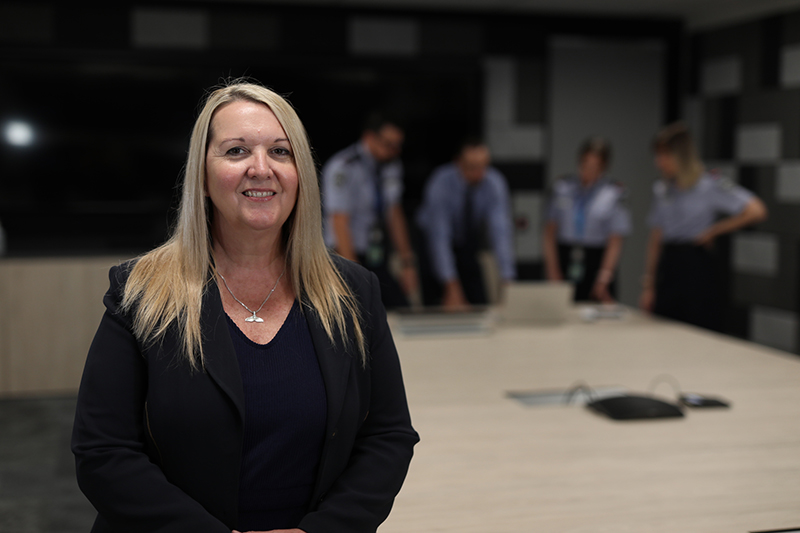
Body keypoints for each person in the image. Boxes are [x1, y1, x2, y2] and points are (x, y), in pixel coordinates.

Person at [72, 81, 419, 533]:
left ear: (301, 172)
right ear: (202, 173)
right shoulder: (139, 291)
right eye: (236, 151)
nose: (262, 168)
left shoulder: (353, 292)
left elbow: (388, 436)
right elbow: (103, 452)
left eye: (280, 151)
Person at [639, 122, 767, 330]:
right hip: (669, 265)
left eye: (664, 156)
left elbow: (756, 210)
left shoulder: (709, 184)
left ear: (680, 155)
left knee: (698, 327)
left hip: (695, 263)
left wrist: (715, 230)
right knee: (662, 329)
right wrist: (648, 284)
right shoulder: (662, 189)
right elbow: (655, 237)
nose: (658, 162)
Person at [321, 114, 417, 309]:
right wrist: (353, 275)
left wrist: (407, 262)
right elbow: (339, 222)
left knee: (401, 307)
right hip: (343, 255)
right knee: (359, 315)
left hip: (375, 252)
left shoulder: (390, 165)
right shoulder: (343, 167)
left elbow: (394, 212)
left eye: (398, 145)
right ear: (369, 138)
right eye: (388, 144)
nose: (394, 151)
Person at [416, 139, 515, 309]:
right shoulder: (440, 183)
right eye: (472, 167)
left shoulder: (494, 183)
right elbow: (439, 238)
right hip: (430, 241)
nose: (479, 173)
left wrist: (508, 279)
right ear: (458, 163)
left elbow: (501, 232)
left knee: (479, 301)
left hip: (467, 241)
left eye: (483, 166)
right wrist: (451, 285)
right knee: (440, 304)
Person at [543, 137, 631, 302]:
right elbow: (549, 233)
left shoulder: (614, 193)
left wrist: (605, 275)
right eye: (585, 164)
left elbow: (616, 239)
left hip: (596, 258)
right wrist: (552, 271)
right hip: (566, 255)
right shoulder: (562, 187)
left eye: (594, 166)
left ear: (604, 167)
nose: (588, 170)